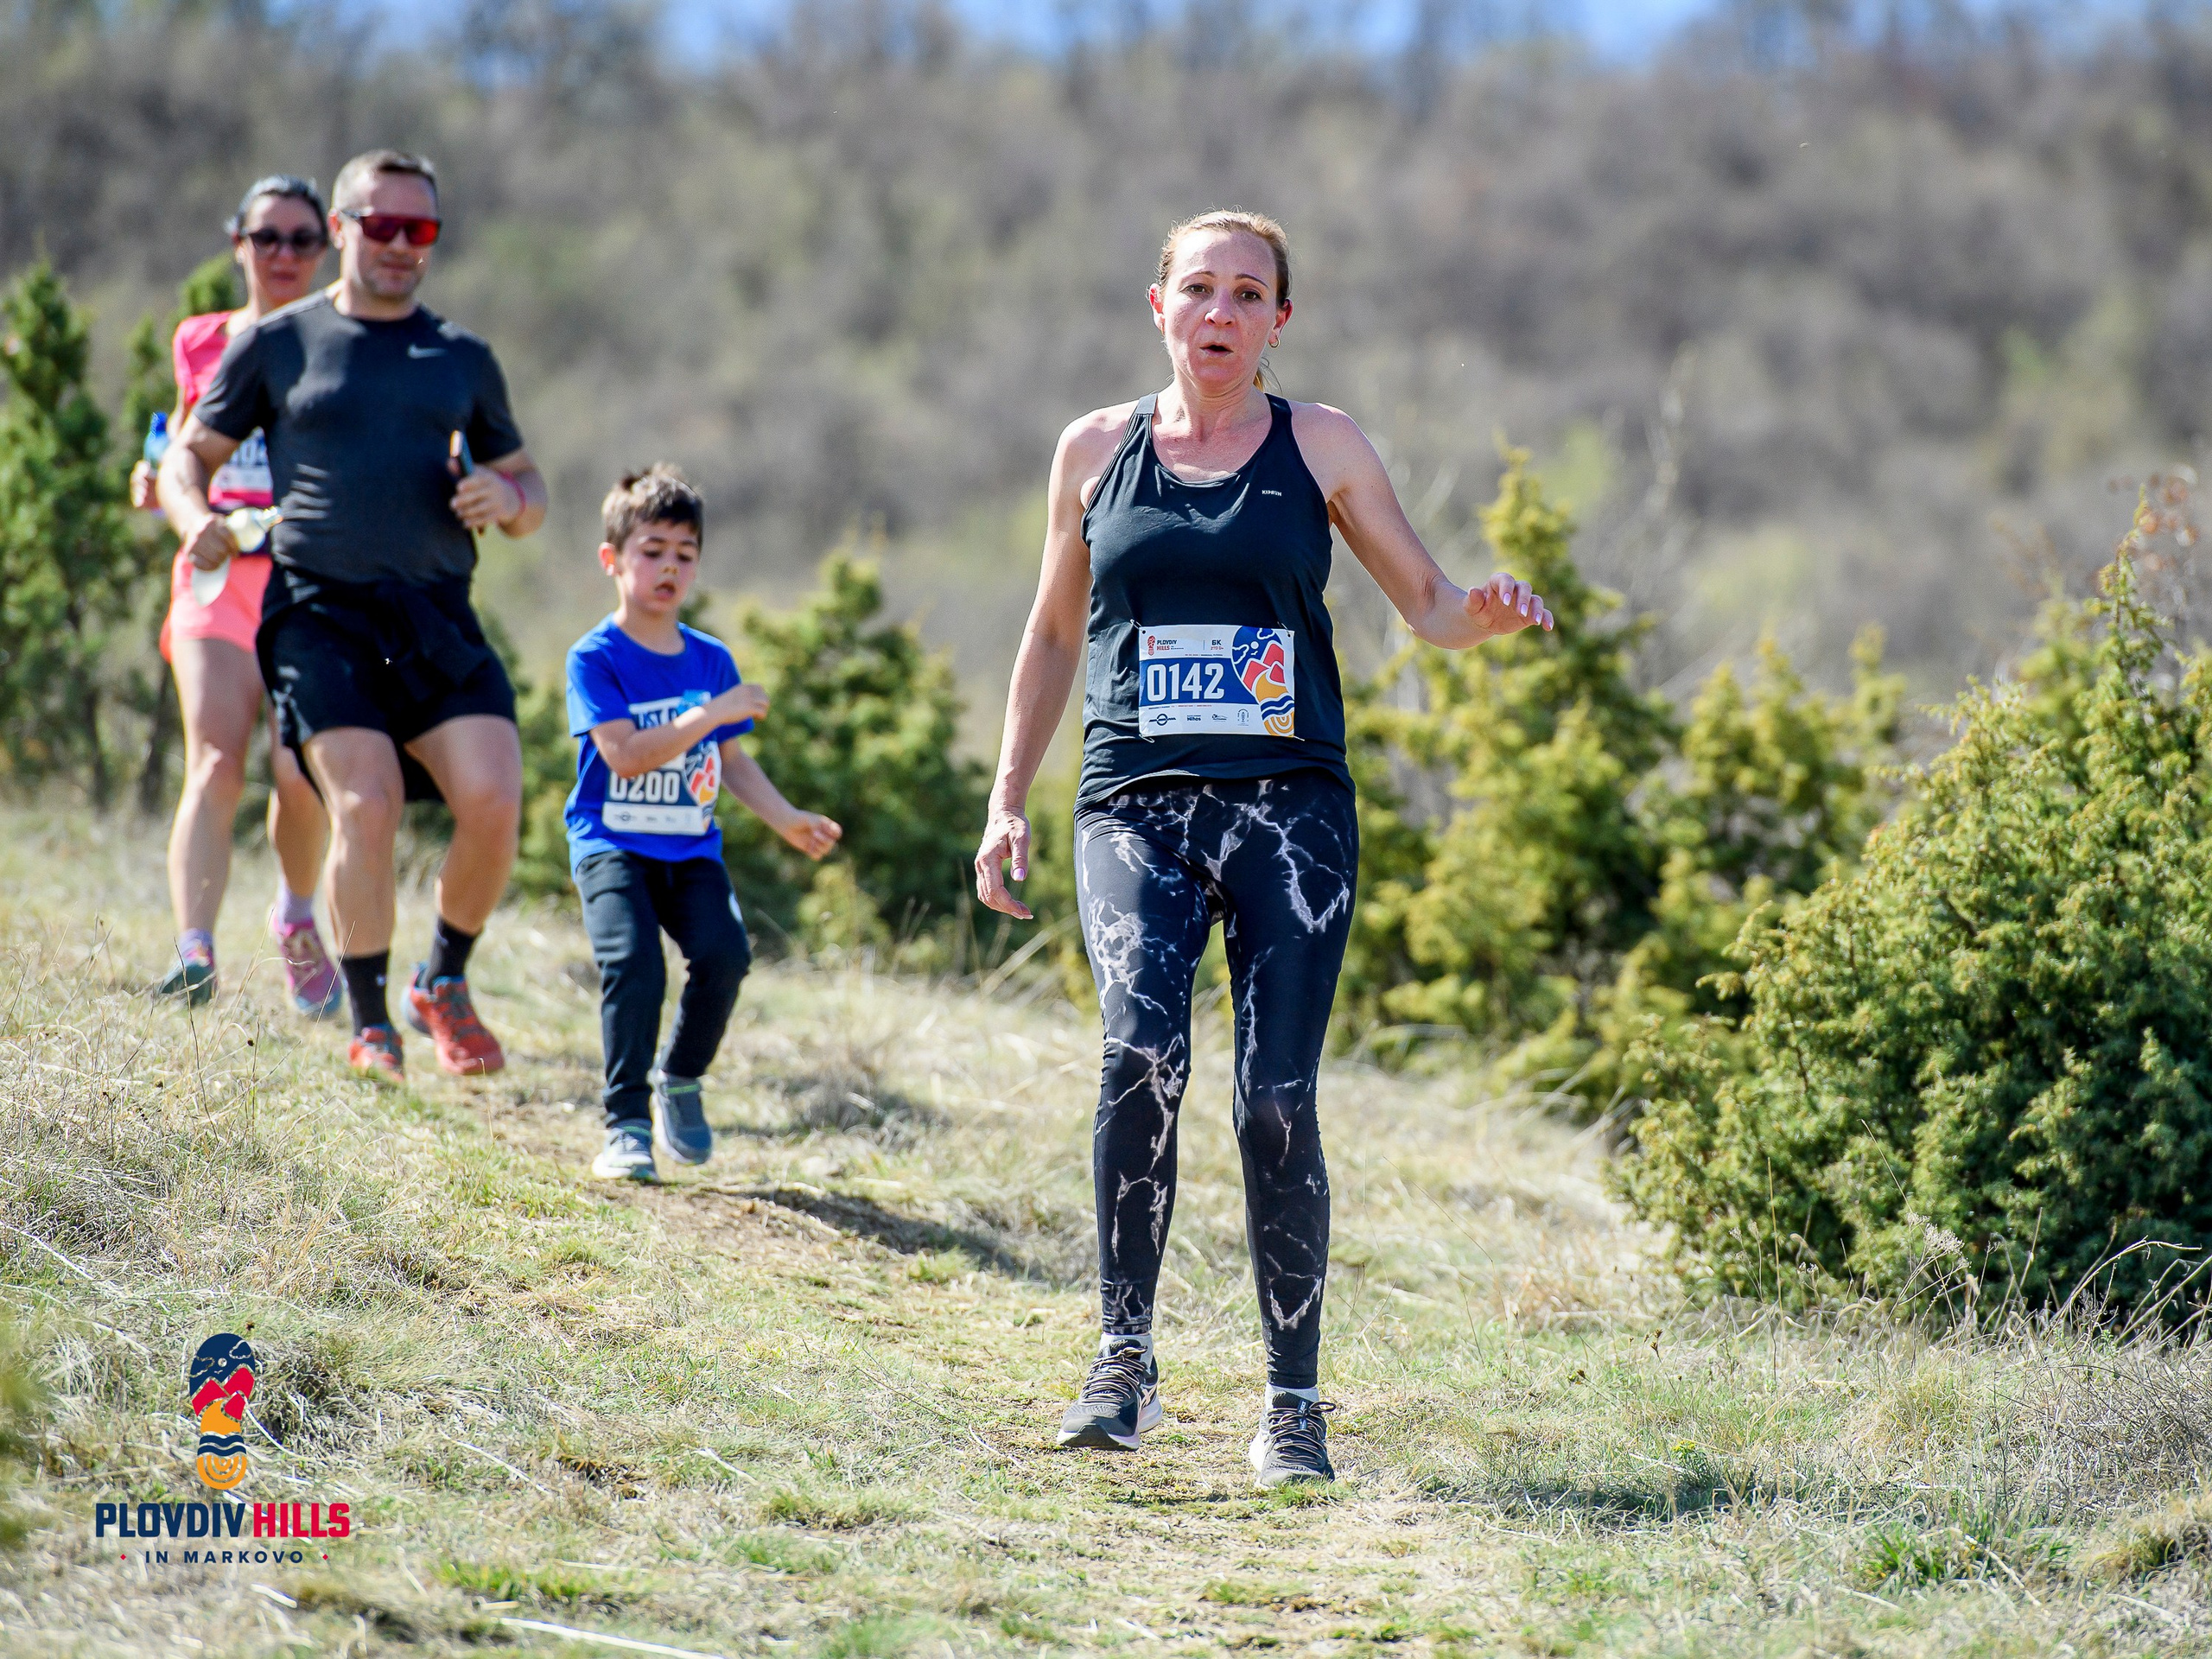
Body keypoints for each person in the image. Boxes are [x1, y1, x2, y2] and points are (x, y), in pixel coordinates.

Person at [973, 210, 1554, 1487]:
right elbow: (1055, 636)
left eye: (1249, 294)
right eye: (1200, 290)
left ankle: (1293, 1407)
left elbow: (1430, 602)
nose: (1222, 313)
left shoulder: (1322, 445)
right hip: (1135, 801)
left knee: (1274, 1101)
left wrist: (1487, 614)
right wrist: (1008, 796)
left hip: (1291, 812)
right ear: (1159, 306)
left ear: (1279, 319)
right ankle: (1122, 1365)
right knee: (1139, 1053)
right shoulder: (1092, 451)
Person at [158, 149, 548, 1081]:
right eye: (381, 225)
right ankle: (370, 1020)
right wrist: (195, 522)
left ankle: (441, 980)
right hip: (318, 612)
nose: (401, 245)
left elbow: (528, 487)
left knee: (495, 799)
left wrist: (507, 498)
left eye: (420, 230)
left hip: (433, 611)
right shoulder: (280, 343)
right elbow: (187, 458)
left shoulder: (461, 357)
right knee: (363, 803)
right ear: (341, 229)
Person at [563, 466, 842, 1182]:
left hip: (690, 848)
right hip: (610, 843)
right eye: (652, 550)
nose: (668, 568)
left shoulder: (709, 658)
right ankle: (625, 1126)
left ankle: (679, 1079)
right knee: (634, 965)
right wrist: (710, 713)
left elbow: (733, 762)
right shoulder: (595, 658)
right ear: (613, 559)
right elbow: (623, 756)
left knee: (725, 957)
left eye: (684, 555)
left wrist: (786, 820)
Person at [132, 175, 340, 1015]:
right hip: (215, 578)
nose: (284, 255)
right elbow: (181, 448)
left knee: (301, 777)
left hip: (306, 585)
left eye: (301, 239)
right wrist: (162, 489)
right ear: (238, 246)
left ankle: (294, 916)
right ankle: (195, 956)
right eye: (267, 239)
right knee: (215, 763)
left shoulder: (340, 344)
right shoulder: (200, 341)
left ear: (325, 247)